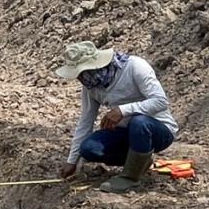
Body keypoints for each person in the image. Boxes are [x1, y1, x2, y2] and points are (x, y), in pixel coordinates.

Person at [55, 40, 178, 193]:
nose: (78, 79)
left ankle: (130, 178)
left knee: (139, 122)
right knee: (88, 149)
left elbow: (160, 101)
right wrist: (71, 161)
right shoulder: (91, 87)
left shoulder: (135, 67)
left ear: (93, 67)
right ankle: (141, 163)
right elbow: (85, 122)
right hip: (126, 134)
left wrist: (122, 110)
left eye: (80, 74)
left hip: (156, 129)